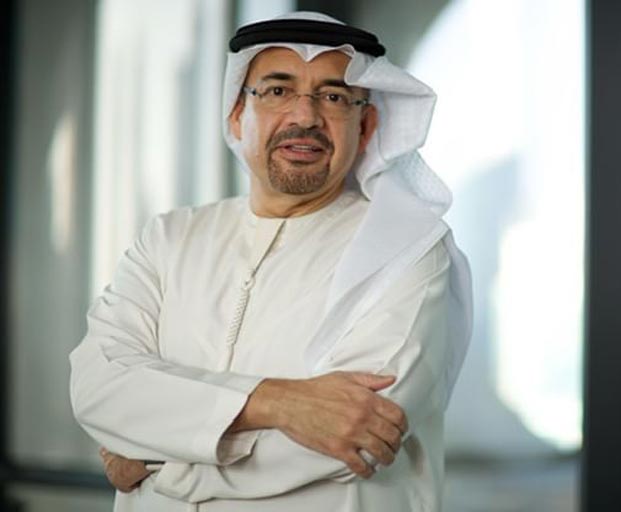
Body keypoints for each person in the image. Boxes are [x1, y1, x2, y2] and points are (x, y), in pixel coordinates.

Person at [69, 10, 472, 512]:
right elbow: (98, 387)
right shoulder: (169, 238)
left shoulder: (407, 251)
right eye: (278, 91)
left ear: (366, 126)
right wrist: (279, 402)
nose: (305, 117)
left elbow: (358, 436)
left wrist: (153, 458)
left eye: (333, 97)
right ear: (237, 114)